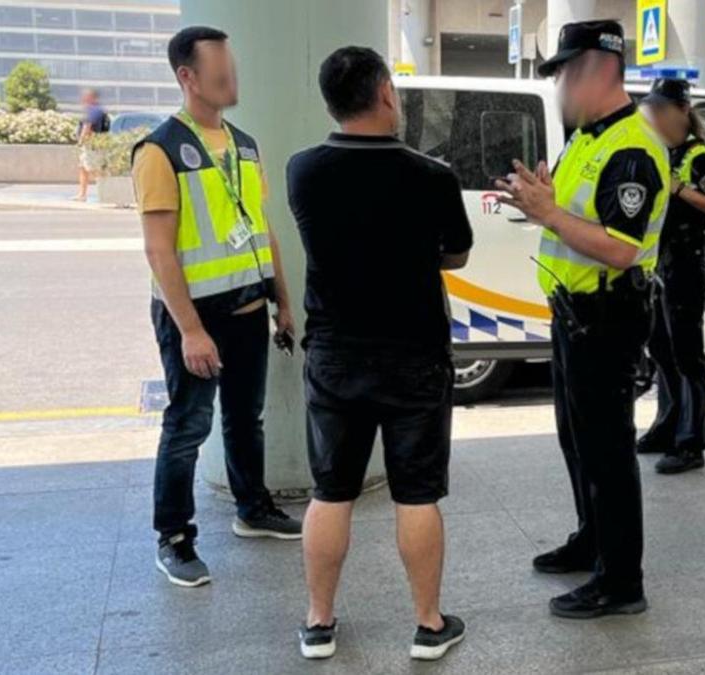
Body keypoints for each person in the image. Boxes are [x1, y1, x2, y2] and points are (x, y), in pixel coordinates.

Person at [287, 46, 471, 662]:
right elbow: (456, 255)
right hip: (414, 354)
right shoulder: (432, 176)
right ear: (387, 92)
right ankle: (427, 624)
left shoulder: (302, 171)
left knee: (330, 491)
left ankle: (318, 623)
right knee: (416, 493)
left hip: (336, 354)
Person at [495, 19, 670, 619]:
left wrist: (548, 213)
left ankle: (621, 581)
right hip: (574, 315)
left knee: (607, 451)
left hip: (608, 316)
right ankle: (592, 539)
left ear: (599, 67)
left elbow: (621, 247)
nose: (559, 85)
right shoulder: (588, 138)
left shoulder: (631, 147)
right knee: (578, 440)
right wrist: (542, 197)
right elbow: (572, 216)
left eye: (565, 72)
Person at [133, 26, 302, 589]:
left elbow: (262, 229)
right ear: (187, 76)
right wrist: (189, 331)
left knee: (244, 417)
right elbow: (159, 250)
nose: (233, 78)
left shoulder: (245, 145)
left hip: (249, 308)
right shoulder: (160, 151)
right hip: (196, 319)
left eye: (233, 67)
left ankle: (253, 508)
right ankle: (175, 538)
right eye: (221, 70)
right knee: (187, 426)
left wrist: (281, 299)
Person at [636, 78, 705, 475]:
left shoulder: (697, 157)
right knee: (662, 350)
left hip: (688, 264)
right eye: (652, 109)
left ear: (681, 110)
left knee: (688, 355)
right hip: (662, 264)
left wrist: (679, 190)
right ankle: (667, 426)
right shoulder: (665, 152)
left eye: (662, 109)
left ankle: (691, 444)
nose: (655, 116)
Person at [73, 88, 108, 202]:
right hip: (93, 144)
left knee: (94, 169)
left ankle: (105, 192)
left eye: (86, 96)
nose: (83, 99)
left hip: (92, 145)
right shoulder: (97, 110)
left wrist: (81, 140)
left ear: (92, 98)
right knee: (83, 168)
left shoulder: (93, 110)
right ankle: (82, 194)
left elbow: (87, 126)